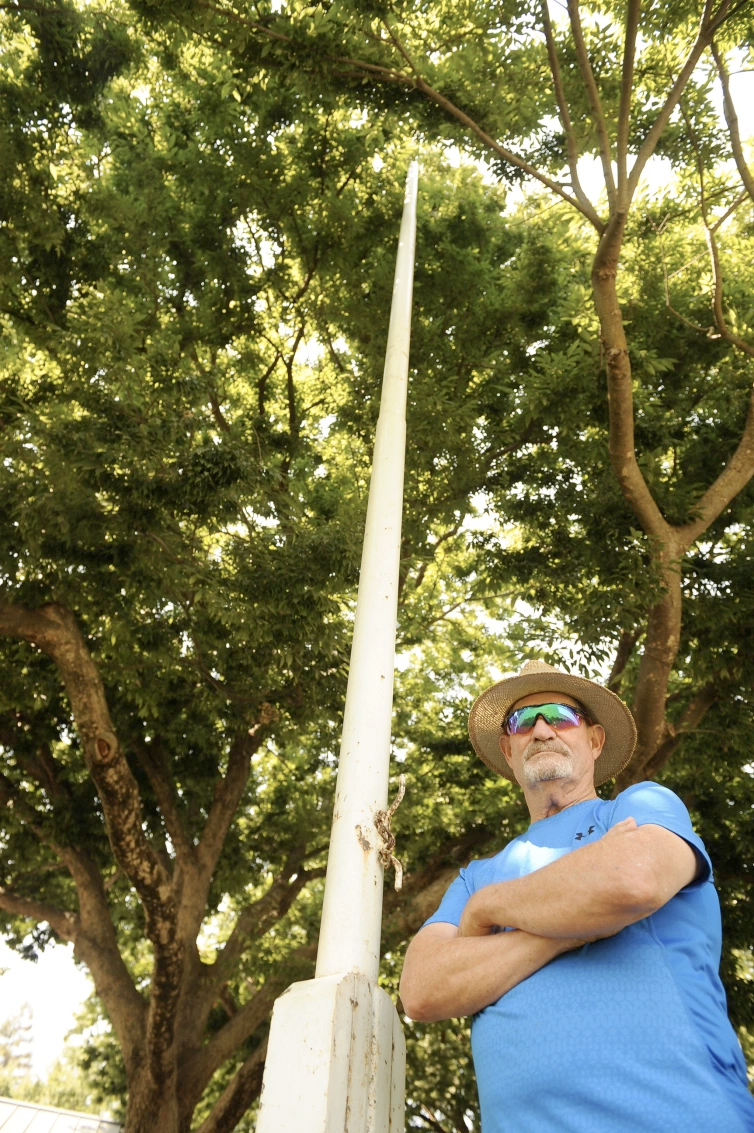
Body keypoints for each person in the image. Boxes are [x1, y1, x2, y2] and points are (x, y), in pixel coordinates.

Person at [399, 659, 754, 1133]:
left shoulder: (641, 805)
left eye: (560, 716)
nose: (541, 730)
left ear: (594, 739)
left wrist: (489, 912)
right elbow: (422, 991)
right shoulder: (473, 880)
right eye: (523, 722)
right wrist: (567, 929)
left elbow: (632, 880)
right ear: (508, 748)